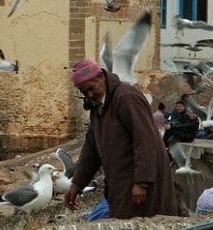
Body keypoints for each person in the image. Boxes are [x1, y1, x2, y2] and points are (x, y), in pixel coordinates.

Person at [65, 60, 177, 219]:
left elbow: (145, 140)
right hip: (121, 184)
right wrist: (77, 185)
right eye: (84, 92)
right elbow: (91, 148)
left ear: (101, 77)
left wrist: (141, 183)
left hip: (142, 186)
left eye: (91, 88)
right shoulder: (98, 106)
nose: (89, 95)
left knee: (144, 227)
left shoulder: (126, 98)